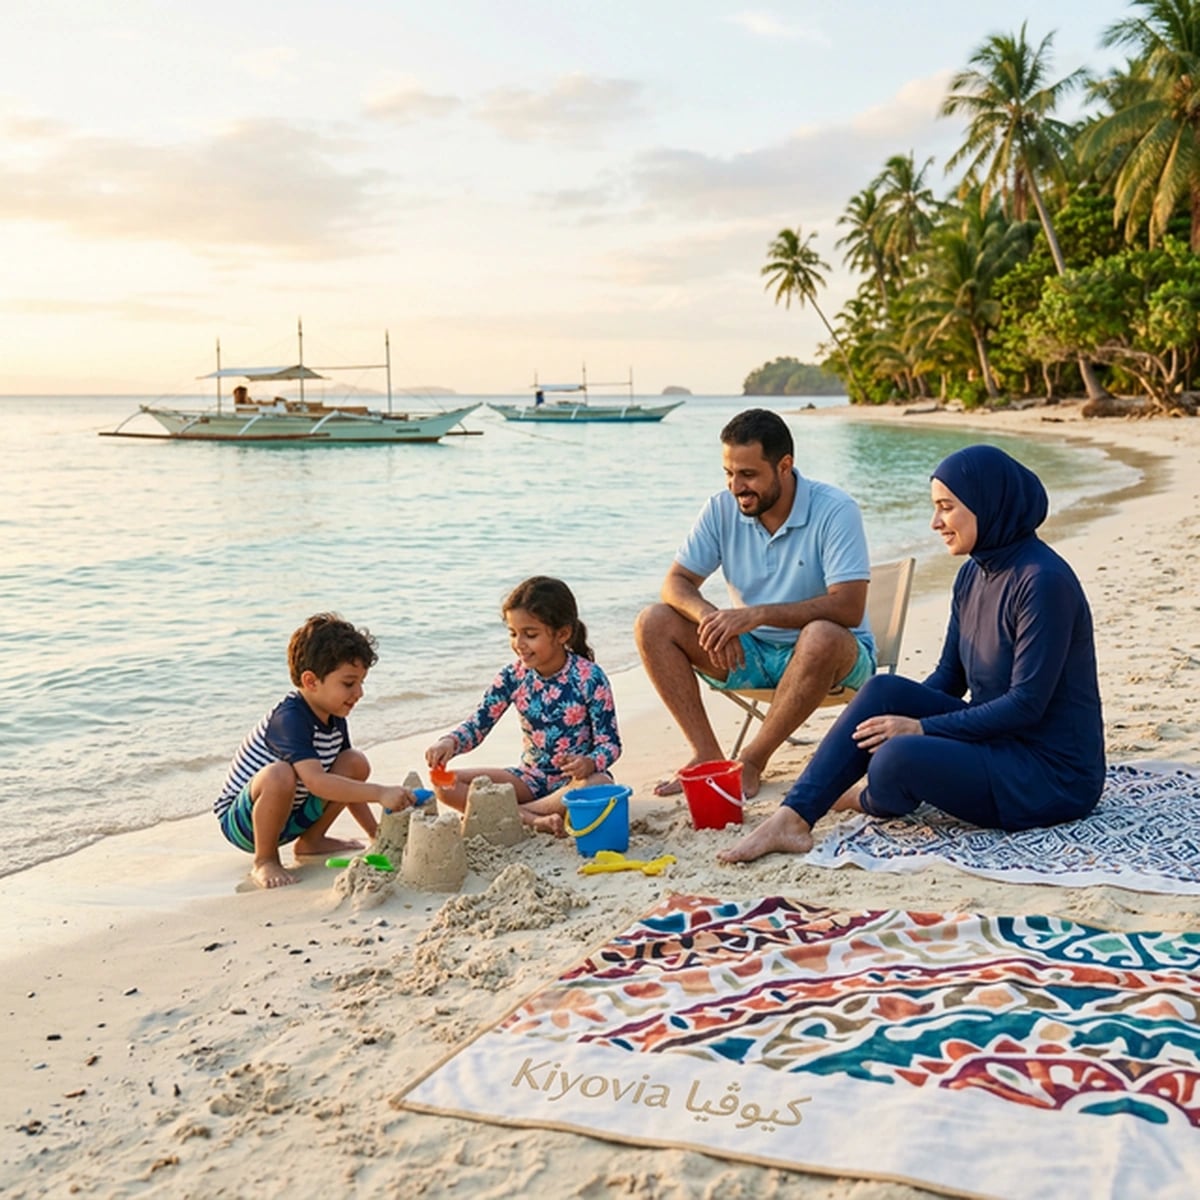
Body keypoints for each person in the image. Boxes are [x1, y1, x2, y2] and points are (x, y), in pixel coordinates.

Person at [719, 443, 1105, 863]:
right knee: (884, 692)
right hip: (998, 740)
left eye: (947, 507)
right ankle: (794, 816)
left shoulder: (1042, 582)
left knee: (898, 756)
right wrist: (894, 718)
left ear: (987, 504)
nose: (935, 522)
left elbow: (1027, 706)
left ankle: (868, 797)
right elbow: (948, 679)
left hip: (1049, 773)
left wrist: (920, 729)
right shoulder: (973, 575)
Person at [635, 407, 875, 799]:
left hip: (831, 658)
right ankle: (707, 755)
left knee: (820, 636)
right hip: (750, 655)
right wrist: (712, 618)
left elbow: (848, 607)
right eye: (729, 473)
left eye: (748, 475)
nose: (736, 486)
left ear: (784, 466)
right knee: (653, 621)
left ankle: (752, 760)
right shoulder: (721, 508)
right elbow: (676, 583)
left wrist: (755, 615)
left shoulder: (835, 510)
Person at [215, 613, 416, 889]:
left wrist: (376, 835)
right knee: (279, 774)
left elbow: (348, 782)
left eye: (361, 682)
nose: (359, 693)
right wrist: (380, 793)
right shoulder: (289, 719)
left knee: (354, 762)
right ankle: (265, 859)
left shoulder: (334, 718)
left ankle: (311, 841)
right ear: (310, 681)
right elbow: (317, 783)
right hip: (244, 823)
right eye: (348, 683)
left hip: (292, 815)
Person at [426, 576, 621, 835]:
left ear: (562, 634)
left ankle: (517, 814)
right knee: (446, 785)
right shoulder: (513, 676)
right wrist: (449, 742)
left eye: (530, 635)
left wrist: (590, 762)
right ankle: (532, 818)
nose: (519, 644)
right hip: (528, 779)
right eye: (513, 633)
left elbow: (611, 744)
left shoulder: (590, 677)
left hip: (576, 782)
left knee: (599, 784)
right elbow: (478, 724)